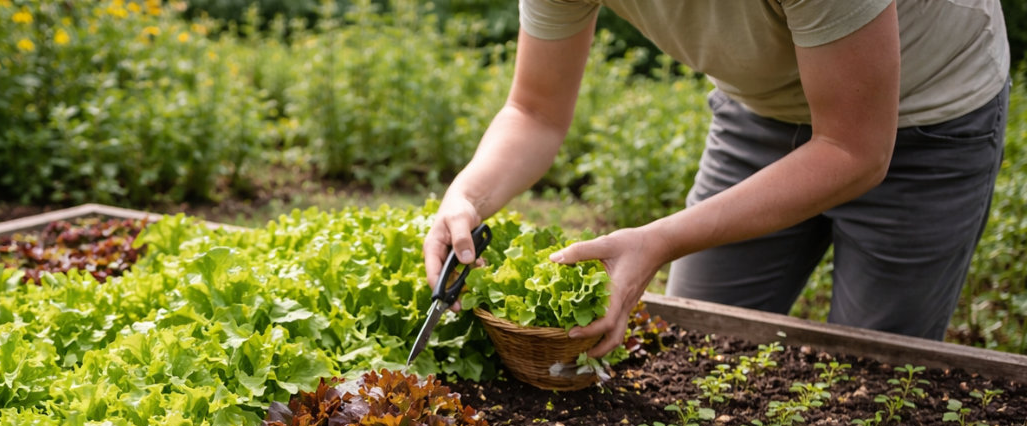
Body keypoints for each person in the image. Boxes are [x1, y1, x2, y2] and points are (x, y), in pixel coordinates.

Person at [424, 0, 1011, 359]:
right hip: (759, 111)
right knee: (696, 343)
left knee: (872, 372)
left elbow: (854, 148)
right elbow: (535, 112)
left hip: (928, 119)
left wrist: (660, 237)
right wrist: (468, 194)